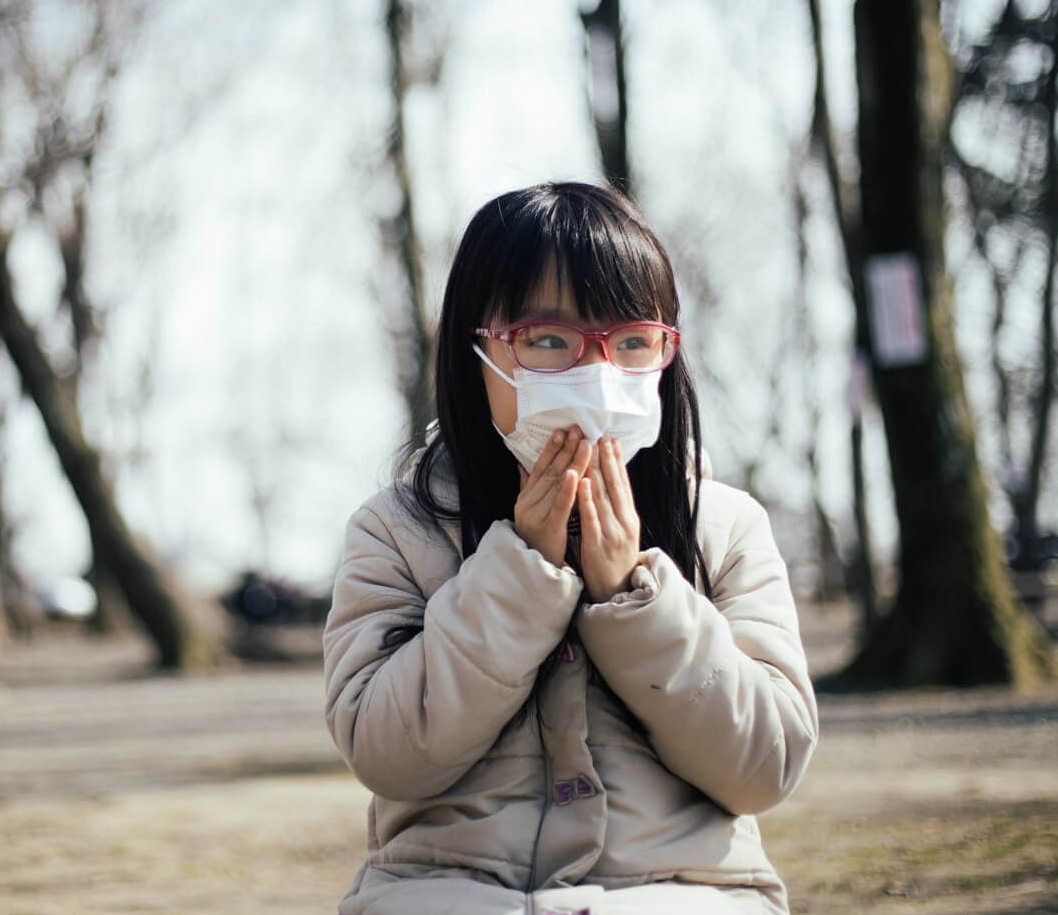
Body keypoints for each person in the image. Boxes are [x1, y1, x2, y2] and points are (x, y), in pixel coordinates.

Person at [323, 183, 818, 915]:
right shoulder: (397, 531)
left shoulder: (724, 524)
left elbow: (766, 767)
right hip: (448, 892)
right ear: (478, 352)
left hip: (683, 893)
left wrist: (633, 597)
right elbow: (388, 753)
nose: (596, 373)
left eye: (630, 343)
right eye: (548, 340)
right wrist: (520, 570)